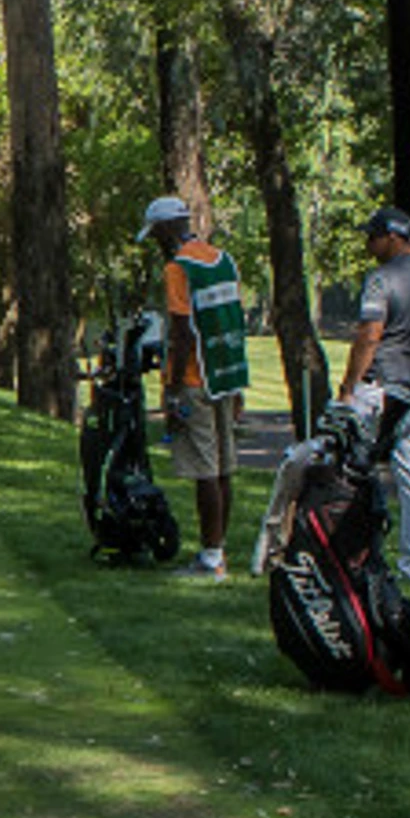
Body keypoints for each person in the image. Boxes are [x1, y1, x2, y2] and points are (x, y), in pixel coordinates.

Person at [337, 207, 410, 585]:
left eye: (373, 237)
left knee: (354, 470)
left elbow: (370, 335)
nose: (369, 244)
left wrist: (349, 386)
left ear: (392, 237)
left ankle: (353, 550)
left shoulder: (381, 280)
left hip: (379, 389)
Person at [144, 195, 251, 577]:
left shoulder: (178, 268)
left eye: (155, 234)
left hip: (194, 378)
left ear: (166, 229)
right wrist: (238, 386)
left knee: (205, 469)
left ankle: (210, 558)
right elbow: (233, 321)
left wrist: (172, 389)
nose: (155, 242)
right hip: (224, 376)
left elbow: (182, 330)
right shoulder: (222, 260)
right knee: (223, 467)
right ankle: (217, 550)